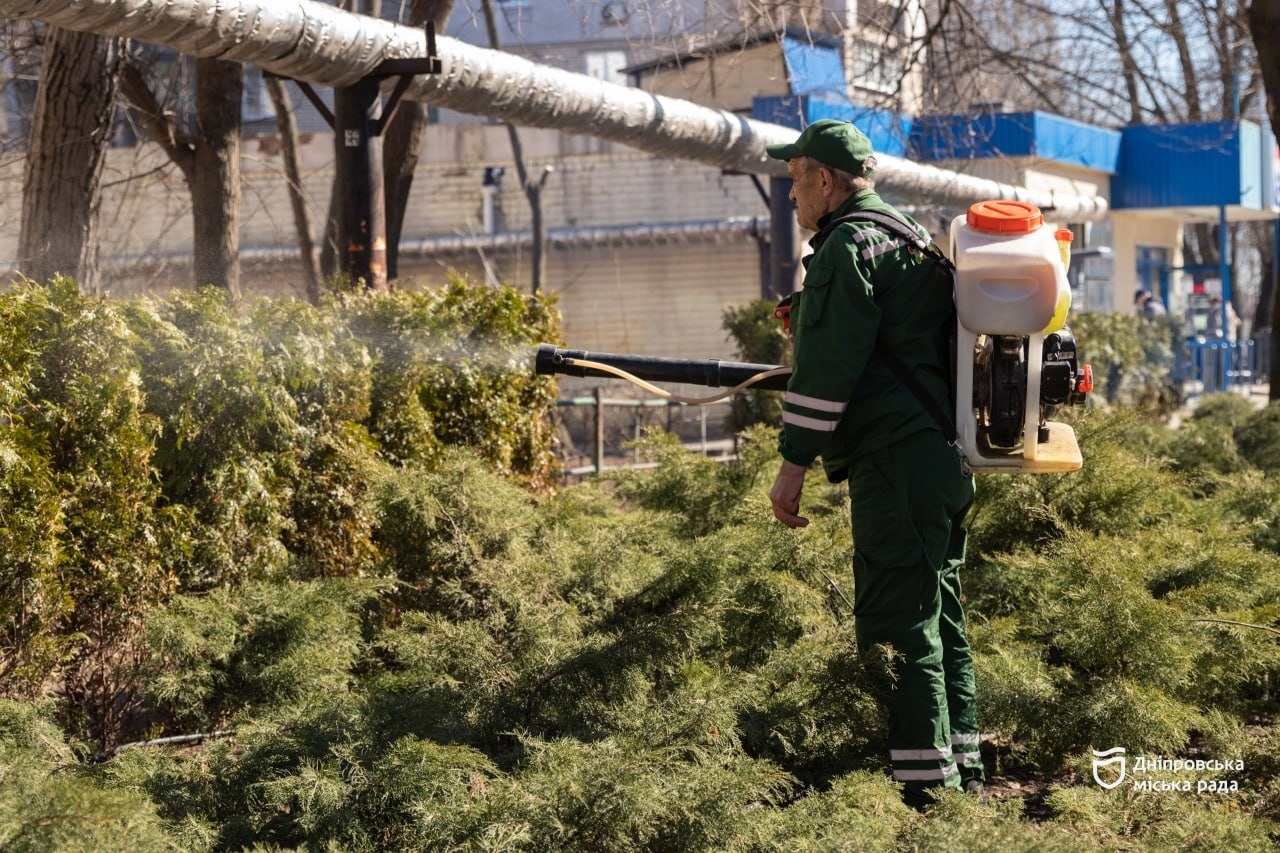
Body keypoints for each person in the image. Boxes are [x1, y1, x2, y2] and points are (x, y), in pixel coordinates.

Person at [764, 119, 983, 809]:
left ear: (825, 181)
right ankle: (963, 773)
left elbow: (828, 372)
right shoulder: (908, 233)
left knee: (898, 622)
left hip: (897, 460)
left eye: (796, 177)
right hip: (945, 458)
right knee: (939, 615)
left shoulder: (845, 247)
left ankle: (924, 798)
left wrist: (792, 466)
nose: (793, 193)